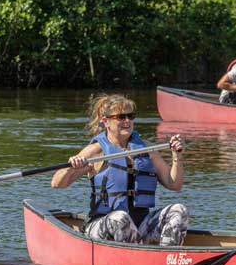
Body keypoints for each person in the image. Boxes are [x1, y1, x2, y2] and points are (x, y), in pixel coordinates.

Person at [51, 93, 188, 246]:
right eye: (121, 117)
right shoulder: (96, 151)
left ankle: (167, 259)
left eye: (130, 116)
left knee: (178, 210)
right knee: (120, 218)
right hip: (102, 225)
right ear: (106, 121)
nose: (127, 121)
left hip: (139, 226)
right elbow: (57, 183)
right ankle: (136, 259)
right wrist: (71, 167)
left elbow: (174, 184)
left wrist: (177, 156)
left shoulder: (147, 148)